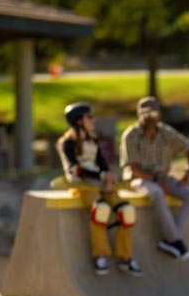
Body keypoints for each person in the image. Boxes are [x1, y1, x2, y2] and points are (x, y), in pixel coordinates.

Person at [56, 102, 141, 276]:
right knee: (101, 209)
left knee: (126, 211)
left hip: (101, 184)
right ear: (79, 121)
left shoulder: (93, 140)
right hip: (82, 186)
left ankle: (125, 257)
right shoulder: (67, 143)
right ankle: (99, 255)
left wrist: (108, 177)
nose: (93, 121)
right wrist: (102, 177)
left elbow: (102, 163)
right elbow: (75, 169)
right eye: (89, 117)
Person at [121, 96, 189, 260]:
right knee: (157, 193)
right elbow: (133, 167)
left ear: (159, 114)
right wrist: (157, 182)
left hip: (164, 177)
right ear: (139, 114)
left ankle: (171, 239)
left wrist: (188, 174)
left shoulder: (165, 131)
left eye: (153, 113)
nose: (150, 117)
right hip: (138, 179)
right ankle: (175, 239)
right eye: (146, 113)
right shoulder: (131, 135)